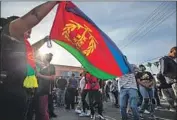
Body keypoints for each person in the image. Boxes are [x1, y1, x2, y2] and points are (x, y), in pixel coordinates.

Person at [0, 2, 58, 120]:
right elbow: (34, 16)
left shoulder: (18, 44)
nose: (30, 36)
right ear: (15, 27)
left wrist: (43, 40)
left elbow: (32, 49)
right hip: (8, 94)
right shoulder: (9, 34)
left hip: (20, 92)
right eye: (28, 31)